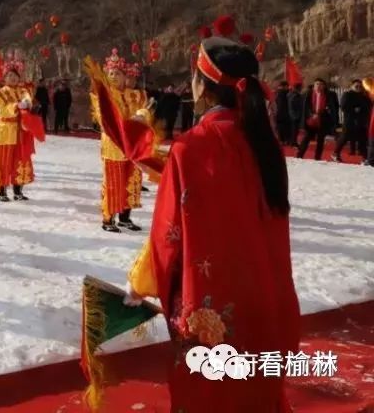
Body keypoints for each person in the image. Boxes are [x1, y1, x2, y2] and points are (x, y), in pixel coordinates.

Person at [125, 36, 299, 412]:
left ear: (203, 88)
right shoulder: (266, 146)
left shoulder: (191, 148)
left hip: (214, 302)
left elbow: (168, 235)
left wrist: (140, 282)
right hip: (266, 298)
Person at [89, 50, 151, 233]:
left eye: (118, 73)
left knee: (131, 181)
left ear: (126, 77)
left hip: (132, 145)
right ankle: (108, 218)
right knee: (113, 182)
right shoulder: (103, 96)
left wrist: (143, 115)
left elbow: (145, 112)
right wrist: (130, 121)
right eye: (111, 73)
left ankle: (125, 217)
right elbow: (105, 119)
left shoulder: (137, 95)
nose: (114, 76)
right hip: (114, 145)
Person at [0, 56, 40, 202]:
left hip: (21, 132)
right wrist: (16, 106)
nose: (12, 78)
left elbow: (31, 104)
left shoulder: (24, 91)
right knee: (4, 161)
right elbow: (1, 110)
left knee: (20, 160)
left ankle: (18, 190)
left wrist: (31, 105)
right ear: (4, 77)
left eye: (15, 76)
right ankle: (2, 190)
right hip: (5, 131)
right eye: (9, 75)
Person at [296, 78, 338, 161]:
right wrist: (311, 114)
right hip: (311, 119)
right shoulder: (308, 93)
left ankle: (317, 157)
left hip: (322, 119)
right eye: (317, 84)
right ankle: (299, 155)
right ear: (314, 85)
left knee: (320, 139)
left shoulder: (329, 95)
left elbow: (334, 107)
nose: (318, 86)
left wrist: (328, 111)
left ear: (324, 86)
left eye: (320, 84)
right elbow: (305, 106)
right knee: (307, 138)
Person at [334, 79, 371, 161]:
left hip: (361, 121)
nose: (358, 88)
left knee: (362, 140)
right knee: (344, 138)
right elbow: (343, 106)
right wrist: (354, 109)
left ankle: (365, 158)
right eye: (356, 86)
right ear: (352, 86)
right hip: (349, 121)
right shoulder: (347, 94)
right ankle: (335, 153)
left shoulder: (364, 96)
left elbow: (368, 106)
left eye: (360, 86)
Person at [272, 81, 292, 145]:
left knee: (280, 128)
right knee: (285, 128)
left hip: (278, 113)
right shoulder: (284, 93)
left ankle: (282, 140)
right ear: (285, 86)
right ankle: (286, 140)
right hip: (284, 113)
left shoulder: (276, 93)